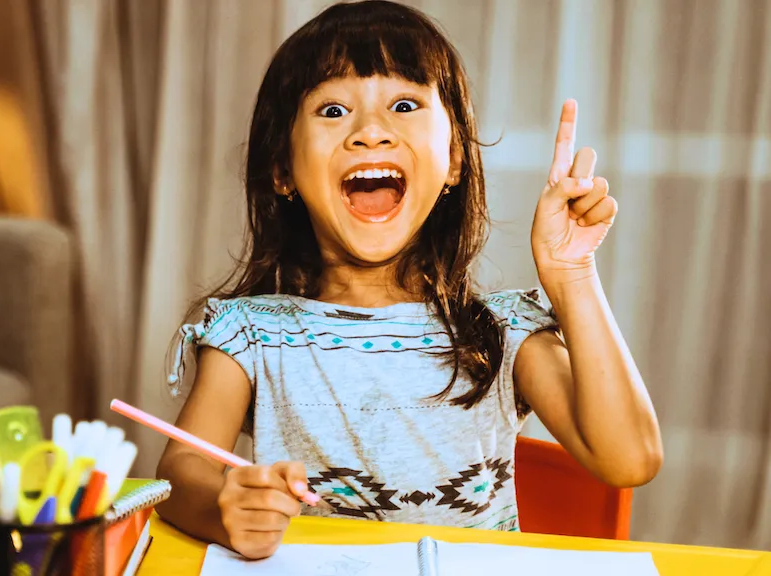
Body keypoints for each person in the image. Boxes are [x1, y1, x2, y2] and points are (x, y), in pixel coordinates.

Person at [155, 0, 663, 560]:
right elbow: (181, 469)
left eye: (403, 105)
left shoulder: (504, 330)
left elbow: (631, 458)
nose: (371, 132)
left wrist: (571, 273)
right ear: (282, 169)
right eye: (333, 110)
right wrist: (223, 504)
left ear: (454, 160)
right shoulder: (248, 335)